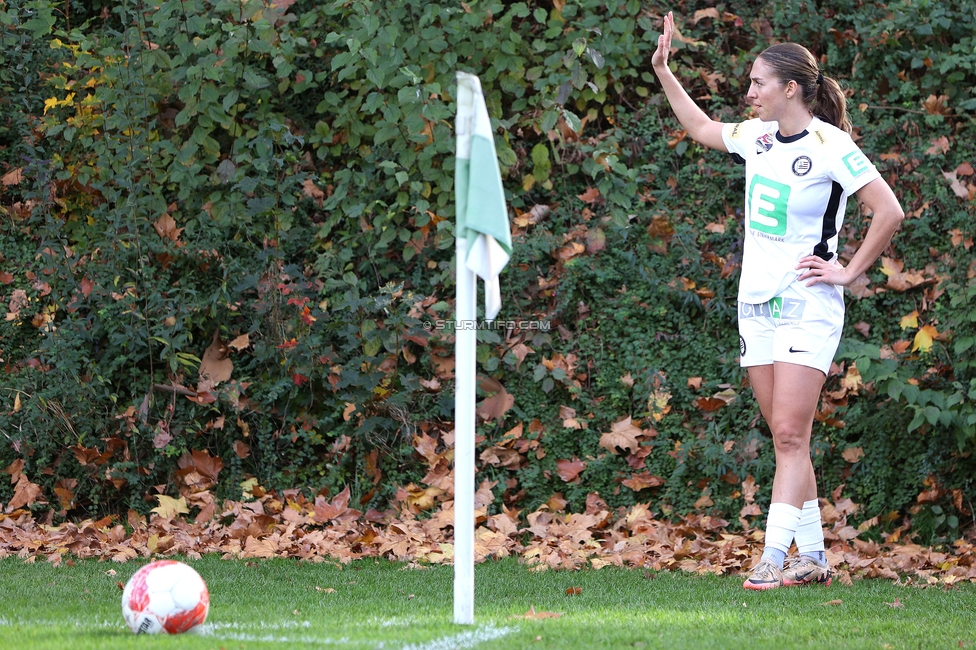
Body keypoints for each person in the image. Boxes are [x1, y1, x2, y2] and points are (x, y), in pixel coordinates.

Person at [651, 12, 905, 590]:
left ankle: (772, 557)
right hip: (755, 303)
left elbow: (888, 212)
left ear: (790, 88)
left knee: (790, 433)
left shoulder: (830, 144)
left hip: (807, 302)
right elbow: (702, 128)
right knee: (786, 435)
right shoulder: (757, 135)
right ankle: (814, 558)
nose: (749, 92)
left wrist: (846, 273)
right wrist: (664, 71)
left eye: (758, 83)